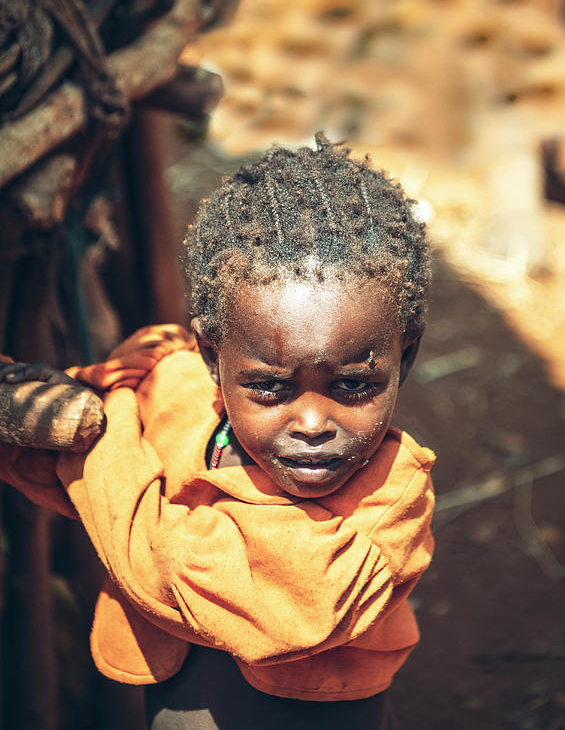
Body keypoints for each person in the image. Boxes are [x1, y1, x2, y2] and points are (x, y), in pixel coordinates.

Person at [0, 135, 435, 730]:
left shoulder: (391, 498)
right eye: (270, 388)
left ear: (403, 358)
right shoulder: (179, 395)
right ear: (214, 357)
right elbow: (91, 398)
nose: (311, 425)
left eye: (354, 387)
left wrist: (101, 451)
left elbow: (179, 576)